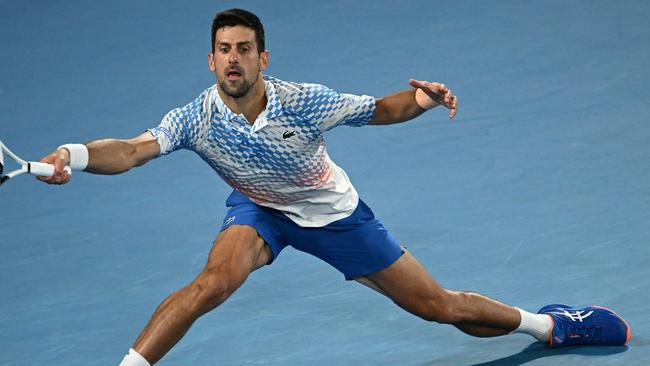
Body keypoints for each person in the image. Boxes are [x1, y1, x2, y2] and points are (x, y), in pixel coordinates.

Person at [38, 8, 631, 366]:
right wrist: (75, 153)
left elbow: (383, 109)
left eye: (244, 49)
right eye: (224, 51)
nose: (234, 60)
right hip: (261, 208)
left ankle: (551, 325)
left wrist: (424, 98)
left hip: (335, 216)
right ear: (211, 60)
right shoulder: (195, 117)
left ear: (263, 58)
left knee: (439, 308)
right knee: (211, 284)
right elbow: (135, 151)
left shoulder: (304, 101)